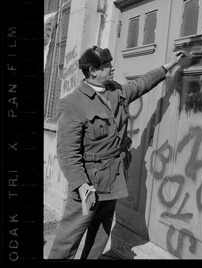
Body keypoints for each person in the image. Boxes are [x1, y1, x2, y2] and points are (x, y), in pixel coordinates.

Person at [48, 46, 184, 259]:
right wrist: (82, 185)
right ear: (93, 70)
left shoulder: (115, 91)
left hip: (114, 176)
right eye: (107, 66)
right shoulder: (72, 103)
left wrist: (167, 66)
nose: (112, 68)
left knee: (101, 232)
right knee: (71, 234)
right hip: (89, 182)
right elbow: (67, 152)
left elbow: (140, 85)